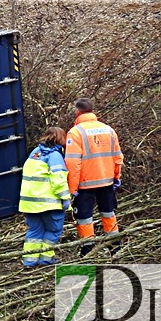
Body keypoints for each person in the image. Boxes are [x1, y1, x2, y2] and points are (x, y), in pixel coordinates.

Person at [65, 98, 123, 256]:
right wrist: (116, 177)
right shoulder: (108, 130)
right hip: (107, 181)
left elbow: (72, 163)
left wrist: (72, 188)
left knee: (84, 217)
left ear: (77, 112)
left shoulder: (75, 132)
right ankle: (115, 246)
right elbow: (117, 157)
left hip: (85, 184)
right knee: (109, 213)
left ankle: (87, 250)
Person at [19, 127, 72, 267]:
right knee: (53, 230)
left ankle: (29, 261)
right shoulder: (54, 156)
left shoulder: (35, 153)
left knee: (35, 230)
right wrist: (65, 198)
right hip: (49, 203)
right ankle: (46, 258)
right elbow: (58, 179)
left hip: (29, 203)